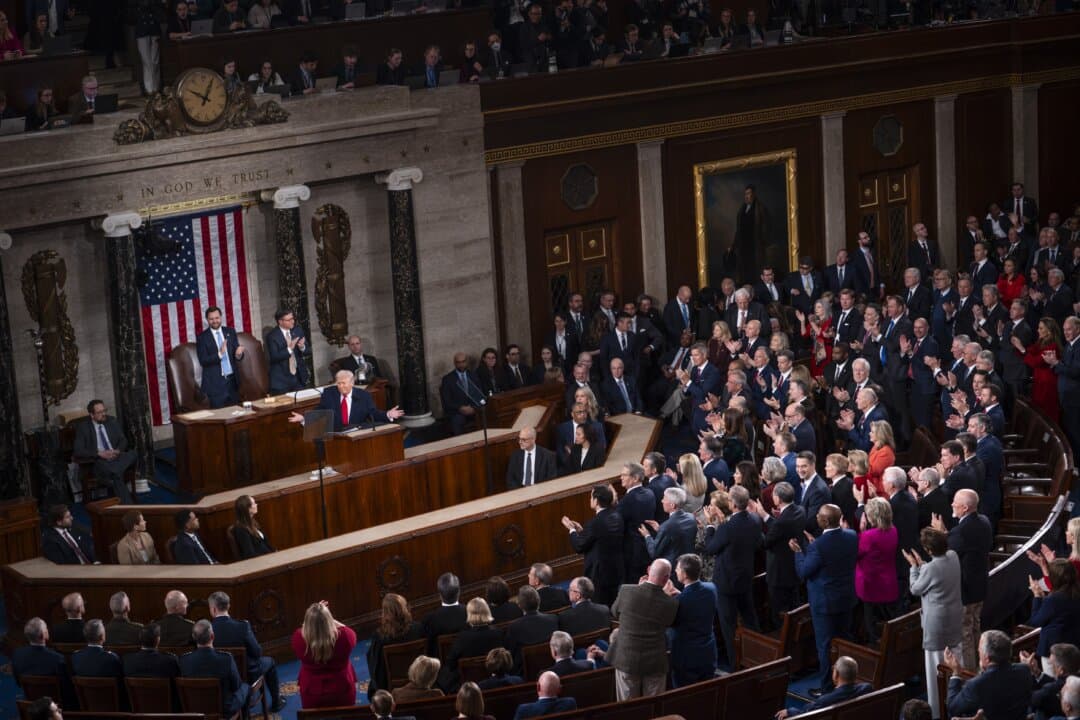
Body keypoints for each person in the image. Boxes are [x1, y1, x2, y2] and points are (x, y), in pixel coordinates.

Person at [793, 504, 858, 694]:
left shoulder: (817, 546)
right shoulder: (852, 535)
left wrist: (798, 553)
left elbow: (804, 572)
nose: (816, 518)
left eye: (819, 516)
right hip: (846, 598)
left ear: (825, 521)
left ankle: (827, 688)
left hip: (825, 603)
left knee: (824, 646)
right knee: (845, 640)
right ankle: (848, 682)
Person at [904, 527, 963, 719]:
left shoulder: (930, 568)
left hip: (937, 625)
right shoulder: (953, 556)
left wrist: (914, 567)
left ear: (928, 550)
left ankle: (936, 713)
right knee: (955, 664)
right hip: (954, 619)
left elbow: (915, 588)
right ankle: (955, 708)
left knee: (935, 671)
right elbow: (936, 577)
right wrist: (923, 566)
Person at [703, 485, 761, 671]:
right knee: (750, 620)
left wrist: (710, 525)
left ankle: (735, 665)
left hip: (726, 583)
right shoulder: (754, 519)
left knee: (728, 627)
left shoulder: (728, 527)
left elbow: (711, 548)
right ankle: (757, 657)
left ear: (733, 504)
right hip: (745, 578)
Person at [937, 488, 992, 671]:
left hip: (966, 589)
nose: (952, 504)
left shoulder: (962, 530)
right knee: (975, 627)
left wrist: (940, 534)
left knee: (966, 633)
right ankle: (980, 665)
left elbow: (947, 552)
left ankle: (970, 672)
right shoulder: (984, 521)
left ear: (966, 508)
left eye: (955, 502)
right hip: (980, 585)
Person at [610, 558, 679, 700]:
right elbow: (668, 622)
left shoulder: (626, 590)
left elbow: (614, 611)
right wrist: (665, 596)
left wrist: (637, 588)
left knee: (628, 707)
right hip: (655, 661)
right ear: (667, 578)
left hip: (627, 658)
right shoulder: (671, 603)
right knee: (654, 706)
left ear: (648, 570)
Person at [209, 591, 284, 711]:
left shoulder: (208, 631)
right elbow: (257, 652)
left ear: (213, 609)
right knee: (270, 662)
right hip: (248, 674)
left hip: (223, 677)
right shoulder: (242, 626)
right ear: (228, 606)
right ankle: (276, 702)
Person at [944, 629, 1033, 720]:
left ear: (987, 658)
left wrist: (956, 673)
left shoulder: (975, 685)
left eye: (979, 651)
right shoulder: (1024, 670)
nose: (978, 653)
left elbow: (953, 708)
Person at [564, 484, 625, 605]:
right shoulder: (617, 516)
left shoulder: (595, 523)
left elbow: (579, 546)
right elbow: (600, 538)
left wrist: (571, 530)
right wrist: (582, 532)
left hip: (598, 575)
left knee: (600, 605)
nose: (590, 500)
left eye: (591, 497)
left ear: (596, 501)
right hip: (616, 570)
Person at [289, 369, 404, 430]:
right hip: (336, 434)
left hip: (356, 433)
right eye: (338, 383)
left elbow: (373, 413)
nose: (341, 386)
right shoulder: (330, 393)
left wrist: (388, 414)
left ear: (352, 382)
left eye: (344, 383)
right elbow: (320, 410)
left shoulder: (363, 396)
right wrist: (304, 417)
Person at [179, 620, 251, 718]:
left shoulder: (184, 660)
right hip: (224, 711)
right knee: (245, 687)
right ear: (212, 636)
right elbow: (236, 686)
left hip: (194, 711)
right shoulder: (226, 659)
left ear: (194, 637)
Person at [292, 601, 357, 708]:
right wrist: (328, 618)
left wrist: (313, 619)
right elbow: (349, 631)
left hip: (311, 693)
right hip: (342, 690)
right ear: (329, 621)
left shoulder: (298, 638)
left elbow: (305, 628)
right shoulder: (345, 636)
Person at [667, 553, 718, 686]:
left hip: (686, 658)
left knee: (683, 697)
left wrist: (666, 598)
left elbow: (668, 621)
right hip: (708, 652)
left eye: (677, 569)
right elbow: (694, 602)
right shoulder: (711, 588)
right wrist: (680, 594)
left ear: (684, 574)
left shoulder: (679, 601)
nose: (675, 571)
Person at [73, 399, 136, 504]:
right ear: (92, 415)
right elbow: (78, 451)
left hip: (116, 457)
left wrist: (117, 450)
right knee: (115, 473)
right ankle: (129, 506)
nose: (103, 414)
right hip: (100, 460)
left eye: (104, 410)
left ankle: (115, 472)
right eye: (100, 412)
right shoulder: (83, 427)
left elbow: (123, 440)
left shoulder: (111, 421)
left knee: (133, 454)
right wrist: (99, 453)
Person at [857, 497, 898, 646]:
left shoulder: (868, 536)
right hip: (888, 581)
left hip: (871, 583)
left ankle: (874, 649)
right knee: (887, 619)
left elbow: (857, 554)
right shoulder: (893, 530)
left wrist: (861, 531)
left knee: (871, 623)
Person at [440, 598, 506, 691]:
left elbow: (451, 663)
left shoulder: (463, 638)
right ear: (487, 611)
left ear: (469, 614)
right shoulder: (498, 633)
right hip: (496, 683)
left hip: (469, 687)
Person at [775, 656, 872, 718]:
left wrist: (790, 711)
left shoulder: (824, 701)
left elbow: (804, 714)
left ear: (836, 674)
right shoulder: (867, 688)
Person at [1027, 560, 1080, 672]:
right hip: (1074, 647)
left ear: (1055, 578)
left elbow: (1036, 621)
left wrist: (1037, 596)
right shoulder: (1075, 594)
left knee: (1053, 685)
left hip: (1053, 651)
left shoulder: (1054, 599)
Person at [366, 593, 423, 694]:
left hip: (390, 685)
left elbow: (376, 668)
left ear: (385, 613)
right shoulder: (419, 629)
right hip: (418, 677)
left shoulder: (380, 638)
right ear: (404, 608)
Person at [13, 618, 75, 708]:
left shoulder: (17, 654)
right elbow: (66, 688)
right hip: (56, 706)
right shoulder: (57, 659)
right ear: (43, 635)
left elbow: (18, 682)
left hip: (32, 704)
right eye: (46, 628)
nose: (48, 630)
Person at [196, 306, 245, 408]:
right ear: (207, 320)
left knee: (236, 414)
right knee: (220, 417)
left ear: (221, 317)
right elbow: (203, 360)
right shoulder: (202, 337)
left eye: (217, 318)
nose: (215, 321)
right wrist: (219, 354)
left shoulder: (230, 332)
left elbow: (237, 353)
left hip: (232, 382)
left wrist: (239, 354)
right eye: (211, 319)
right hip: (215, 385)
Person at [640, 486, 696, 567]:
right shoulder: (691, 517)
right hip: (690, 563)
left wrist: (647, 536)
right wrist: (659, 529)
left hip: (675, 567)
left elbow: (654, 552)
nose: (662, 501)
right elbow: (677, 536)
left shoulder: (667, 526)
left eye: (664, 498)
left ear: (672, 505)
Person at [1025, 317, 1064, 422]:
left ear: (1049, 331)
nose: (1038, 330)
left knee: (1048, 413)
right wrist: (1024, 351)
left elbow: (1034, 362)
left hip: (1047, 385)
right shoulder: (1041, 343)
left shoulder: (1052, 346)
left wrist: (1023, 350)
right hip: (1040, 383)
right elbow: (1029, 351)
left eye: (1041, 328)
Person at [422, 573, 468, 654]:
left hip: (442, 664)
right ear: (459, 592)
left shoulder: (430, 619)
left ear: (440, 595)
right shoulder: (470, 612)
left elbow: (429, 650)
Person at [266, 308, 309, 394]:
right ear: (280, 321)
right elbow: (274, 357)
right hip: (281, 381)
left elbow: (308, 350)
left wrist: (302, 347)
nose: (292, 321)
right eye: (289, 320)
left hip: (298, 378)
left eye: (293, 318)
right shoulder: (272, 336)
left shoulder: (297, 330)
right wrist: (289, 349)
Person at [232, 494, 274, 559]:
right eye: (254, 503)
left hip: (269, 557)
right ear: (247, 508)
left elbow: (265, 543)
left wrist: (274, 552)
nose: (256, 505)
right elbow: (250, 554)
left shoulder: (253, 522)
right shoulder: (240, 529)